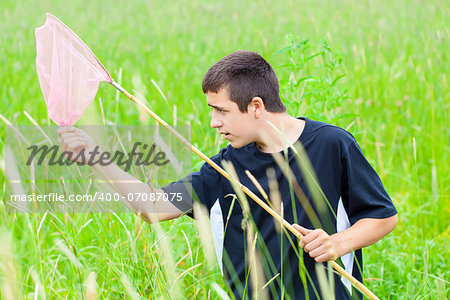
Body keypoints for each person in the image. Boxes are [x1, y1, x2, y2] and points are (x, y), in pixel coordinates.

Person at [58, 50, 398, 299]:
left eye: (221, 111)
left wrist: (337, 243)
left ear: (255, 106)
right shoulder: (225, 166)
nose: (214, 122)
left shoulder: (332, 144)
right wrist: (95, 158)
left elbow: (383, 217)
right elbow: (153, 207)